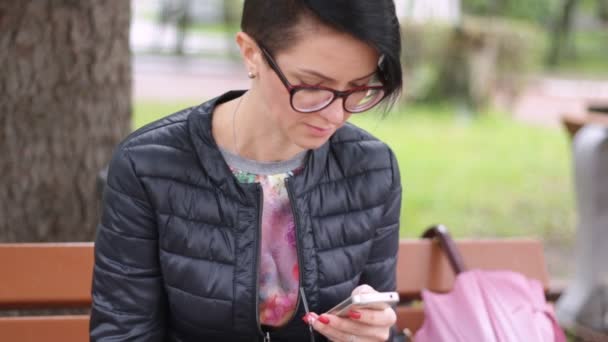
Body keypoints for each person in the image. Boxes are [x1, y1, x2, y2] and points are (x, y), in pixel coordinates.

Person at [90, 0, 403, 341]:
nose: (336, 115)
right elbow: (123, 333)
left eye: (358, 88)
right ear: (251, 53)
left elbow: (375, 314)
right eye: (312, 86)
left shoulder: (372, 169)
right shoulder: (148, 166)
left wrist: (370, 333)